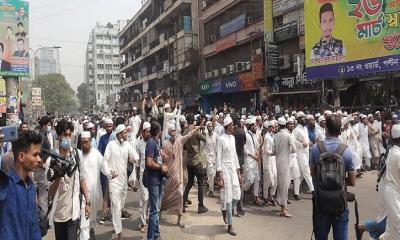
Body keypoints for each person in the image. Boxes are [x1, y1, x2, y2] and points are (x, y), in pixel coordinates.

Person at [310, 114, 356, 240]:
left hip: (321, 202)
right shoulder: (346, 150)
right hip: (340, 202)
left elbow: (312, 173)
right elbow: (352, 181)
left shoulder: (316, 148)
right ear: (340, 130)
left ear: (326, 129)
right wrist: (339, 179)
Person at [48, 119, 90, 240]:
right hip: (59, 213)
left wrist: (88, 202)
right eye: (64, 135)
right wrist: (58, 177)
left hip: (74, 212)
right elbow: (50, 192)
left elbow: (82, 179)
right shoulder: (52, 159)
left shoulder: (77, 155)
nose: (67, 137)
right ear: (59, 137)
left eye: (69, 134)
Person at [0, 131, 42, 240]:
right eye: (35, 155)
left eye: (39, 155)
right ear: (21, 157)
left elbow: (34, 226)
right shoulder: (5, 184)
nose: (39, 159)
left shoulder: (31, 186)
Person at [161, 122, 203, 227]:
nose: (174, 132)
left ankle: (179, 219)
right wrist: (163, 157)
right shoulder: (165, 143)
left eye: (175, 130)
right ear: (169, 132)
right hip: (169, 175)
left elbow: (188, 135)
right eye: (172, 131)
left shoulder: (179, 140)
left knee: (180, 195)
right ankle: (160, 212)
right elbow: (162, 157)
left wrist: (198, 128)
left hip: (178, 174)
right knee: (166, 195)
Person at [103, 124, 137, 240]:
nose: (127, 134)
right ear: (119, 134)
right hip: (114, 182)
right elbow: (104, 162)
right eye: (125, 132)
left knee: (120, 206)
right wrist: (109, 173)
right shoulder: (111, 145)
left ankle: (116, 222)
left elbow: (134, 154)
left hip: (123, 182)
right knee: (116, 207)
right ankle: (119, 234)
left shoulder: (127, 145)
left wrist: (134, 158)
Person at [79, 131, 114, 240]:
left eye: (86, 142)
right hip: (82, 191)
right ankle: (85, 234)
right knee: (84, 216)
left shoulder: (96, 154)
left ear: (90, 141)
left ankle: (91, 230)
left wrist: (110, 173)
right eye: (82, 142)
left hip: (95, 190)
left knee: (93, 214)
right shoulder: (79, 155)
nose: (84, 144)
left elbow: (104, 167)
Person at [216, 116, 243, 236]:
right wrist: (220, 177)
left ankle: (225, 210)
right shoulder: (221, 139)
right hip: (225, 170)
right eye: (232, 125)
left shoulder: (232, 138)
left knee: (237, 195)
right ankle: (230, 225)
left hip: (233, 169)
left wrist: (239, 173)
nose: (234, 127)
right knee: (228, 196)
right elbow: (218, 159)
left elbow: (235, 156)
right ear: (227, 126)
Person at [144, 121, 169, 240]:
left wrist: (162, 155)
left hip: (158, 179)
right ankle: (151, 237)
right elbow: (149, 162)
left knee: (156, 209)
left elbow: (156, 154)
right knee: (154, 211)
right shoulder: (151, 143)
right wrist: (161, 167)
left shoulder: (156, 142)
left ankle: (156, 234)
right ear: (159, 131)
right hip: (153, 180)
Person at [183, 114, 208, 214]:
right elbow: (205, 139)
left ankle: (183, 202)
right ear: (193, 120)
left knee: (189, 182)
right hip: (197, 160)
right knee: (201, 183)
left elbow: (184, 146)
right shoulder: (196, 131)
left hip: (189, 161)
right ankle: (200, 205)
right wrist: (202, 130)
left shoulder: (185, 132)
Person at [274, 117, 297, 218]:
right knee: (285, 185)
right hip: (285, 162)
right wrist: (288, 151)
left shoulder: (275, 136)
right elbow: (294, 149)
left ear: (278, 125)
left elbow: (274, 151)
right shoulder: (288, 135)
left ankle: (282, 204)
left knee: (281, 184)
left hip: (278, 162)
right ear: (285, 125)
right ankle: (283, 209)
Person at [380, 124, 400, 239]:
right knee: (397, 228)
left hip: (393, 192)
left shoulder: (392, 150)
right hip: (393, 194)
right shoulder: (397, 154)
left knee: (390, 229)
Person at [292, 112, 314, 196]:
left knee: (300, 175)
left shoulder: (305, 128)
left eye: (305, 117)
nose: (305, 119)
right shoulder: (296, 129)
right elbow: (293, 140)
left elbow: (306, 139)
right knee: (306, 171)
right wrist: (301, 144)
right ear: (299, 119)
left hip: (306, 152)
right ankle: (313, 190)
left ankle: (296, 193)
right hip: (300, 153)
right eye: (303, 118)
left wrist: (309, 142)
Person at [243, 118, 263, 205]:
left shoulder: (254, 135)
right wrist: (253, 156)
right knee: (250, 180)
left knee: (257, 179)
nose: (256, 127)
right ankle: (242, 190)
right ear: (251, 126)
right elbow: (244, 149)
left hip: (255, 160)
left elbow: (257, 146)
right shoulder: (246, 135)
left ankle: (256, 197)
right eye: (255, 126)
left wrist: (263, 141)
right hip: (249, 161)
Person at [97, 118, 113, 224]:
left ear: (113, 126)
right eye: (107, 126)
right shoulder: (102, 138)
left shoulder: (116, 137)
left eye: (110, 126)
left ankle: (111, 210)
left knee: (113, 190)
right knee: (105, 189)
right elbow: (100, 153)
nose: (108, 128)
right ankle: (106, 211)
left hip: (115, 167)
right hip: (105, 167)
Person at [136, 122, 151, 233]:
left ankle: (149, 219)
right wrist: (138, 175)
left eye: (150, 131)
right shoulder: (139, 144)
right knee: (144, 198)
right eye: (147, 132)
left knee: (151, 199)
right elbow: (137, 162)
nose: (149, 133)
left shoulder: (153, 142)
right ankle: (142, 223)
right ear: (143, 132)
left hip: (152, 175)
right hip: (142, 174)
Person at [262, 120, 278, 205]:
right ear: (269, 128)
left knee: (275, 180)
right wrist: (273, 153)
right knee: (267, 181)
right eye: (272, 127)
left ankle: (271, 195)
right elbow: (266, 150)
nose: (274, 128)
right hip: (268, 161)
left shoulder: (273, 136)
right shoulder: (267, 137)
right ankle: (265, 197)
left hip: (273, 161)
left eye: (275, 127)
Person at [233, 116, 246, 216]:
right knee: (240, 184)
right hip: (240, 160)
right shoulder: (242, 131)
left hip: (232, 161)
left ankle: (232, 208)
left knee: (232, 185)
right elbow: (244, 143)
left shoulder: (231, 133)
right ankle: (239, 208)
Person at [204, 120, 217, 197]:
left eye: (211, 126)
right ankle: (211, 191)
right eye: (209, 126)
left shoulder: (215, 135)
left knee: (212, 174)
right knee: (211, 172)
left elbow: (218, 144)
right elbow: (202, 147)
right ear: (207, 127)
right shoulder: (205, 135)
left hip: (214, 158)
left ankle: (209, 184)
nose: (210, 127)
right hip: (207, 157)